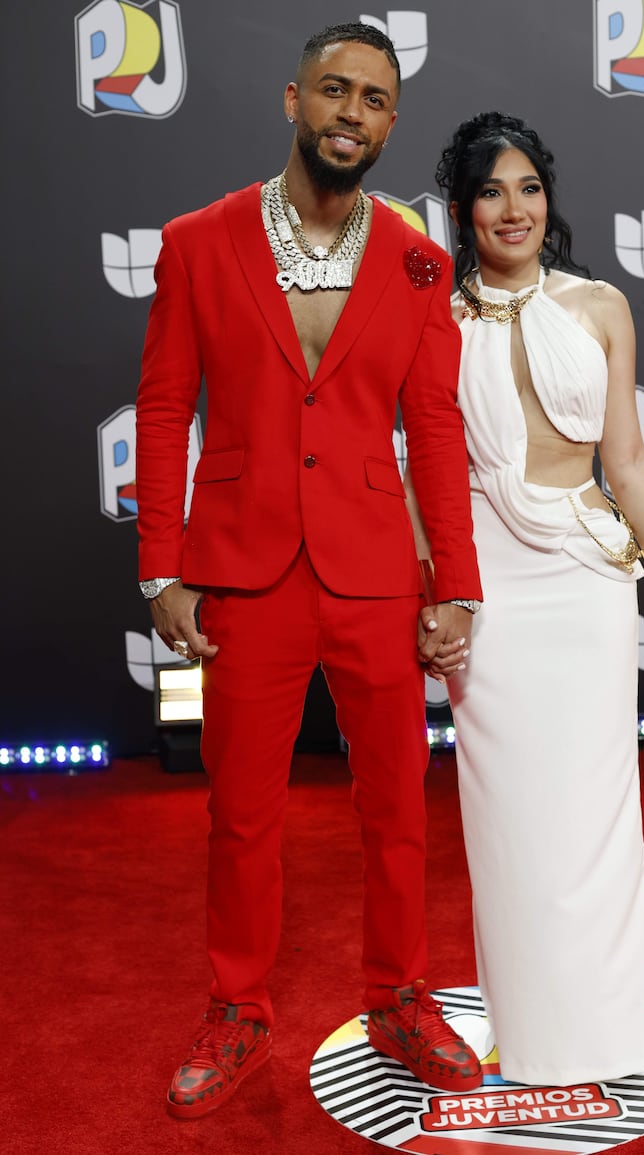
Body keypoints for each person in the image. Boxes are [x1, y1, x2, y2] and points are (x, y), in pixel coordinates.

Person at [135, 23, 484, 1120]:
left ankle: (398, 999)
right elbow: (160, 408)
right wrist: (161, 568)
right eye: (332, 91)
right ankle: (236, 1007)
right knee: (242, 813)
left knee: (396, 809)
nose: (350, 113)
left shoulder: (420, 258)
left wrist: (453, 583)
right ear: (292, 100)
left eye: (372, 99)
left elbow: (429, 424)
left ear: (390, 121)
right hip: (244, 570)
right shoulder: (200, 240)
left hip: (377, 569)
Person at [406, 111, 644, 1086]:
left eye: (528, 187)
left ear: (548, 198)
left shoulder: (599, 308)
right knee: (506, 821)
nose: (513, 208)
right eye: (491, 191)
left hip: (585, 579)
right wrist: (437, 595)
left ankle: (600, 1034)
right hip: (485, 587)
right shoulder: (431, 318)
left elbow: (624, 459)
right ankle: (532, 1035)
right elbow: (422, 471)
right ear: (461, 209)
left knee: (594, 812)